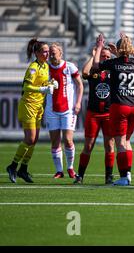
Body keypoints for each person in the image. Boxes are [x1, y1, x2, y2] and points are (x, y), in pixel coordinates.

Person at [93, 33, 134, 186]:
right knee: (127, 141)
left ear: (119, 49)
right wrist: (129, 45)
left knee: (120, 142)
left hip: (119, 106)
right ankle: (128, 174)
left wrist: (100, 47)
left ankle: (123, 177)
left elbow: (96, 65)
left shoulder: (113, 63)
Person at [6, 39, 56, 183]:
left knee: (34, 141)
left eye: (48, 51)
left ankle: (23, 169)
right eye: (44, 52)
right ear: (36, 53)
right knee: (30, 138)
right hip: (28, 105)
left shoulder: (45, 66)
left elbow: (43, 83)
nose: (47, 54)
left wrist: (51, 84)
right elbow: (26, 87)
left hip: (39, 106)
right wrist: (42, 89)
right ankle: (13, 166)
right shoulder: (33, 67)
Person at [74, 44, 115, 184]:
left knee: (109, 145)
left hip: (109, 113)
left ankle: (108, 176)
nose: (105, 58)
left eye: (108, 57)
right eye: (103, 56)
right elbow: (84, 72)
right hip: (93, 113)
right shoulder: (94, 70)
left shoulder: (114, 71)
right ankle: (80, 175)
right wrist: (94, 55)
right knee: (88, 145)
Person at [46, 43, 83, 179]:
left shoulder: (69, 66)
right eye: (50, 52)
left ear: (60, 53)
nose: (51, 55)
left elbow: (80, 85)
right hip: (51, 109)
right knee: (55, 141)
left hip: (68, 110)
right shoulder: (46, 68)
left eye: (53, 52)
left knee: (68, 139)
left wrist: (78, 102)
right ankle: (59, 171)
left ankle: (70, 168)